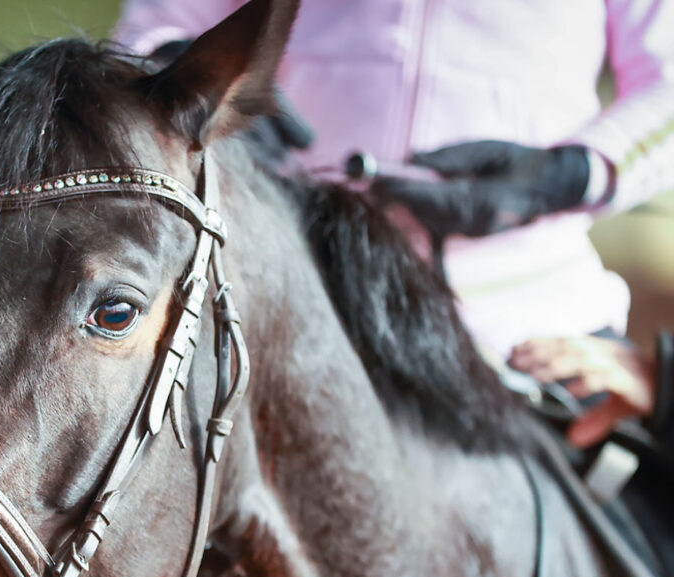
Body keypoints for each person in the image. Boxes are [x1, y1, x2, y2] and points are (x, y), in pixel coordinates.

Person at [113, 0, 674, 449]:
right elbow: (154, 31)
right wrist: (189, 78)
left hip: (533, 339)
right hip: (290, 315)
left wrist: (576, 172)